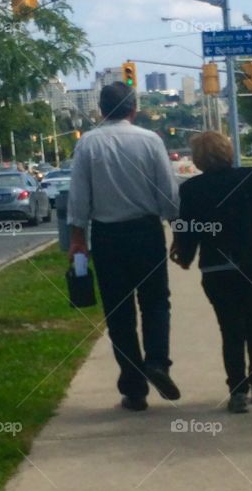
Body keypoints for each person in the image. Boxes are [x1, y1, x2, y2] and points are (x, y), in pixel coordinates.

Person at [67, 82, 181, 411]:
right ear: (133, 109)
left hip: (107, 236)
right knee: (156, 302)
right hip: (146, 232)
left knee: (119, 313)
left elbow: (79, 197)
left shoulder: (88, 144)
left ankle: (134, 388)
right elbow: (168, 195)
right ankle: (157, 362)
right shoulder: (151, 141)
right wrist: (176, 227)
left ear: (101, 111)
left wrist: (78, 238)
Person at [170, 131, 252, 413]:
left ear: (200, 160)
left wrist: (185, 257)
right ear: (227, 152)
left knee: (230, 330)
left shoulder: (191, 190)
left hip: (216, 269)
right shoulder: (249, 179)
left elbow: (188, 230)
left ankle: (237, 390)